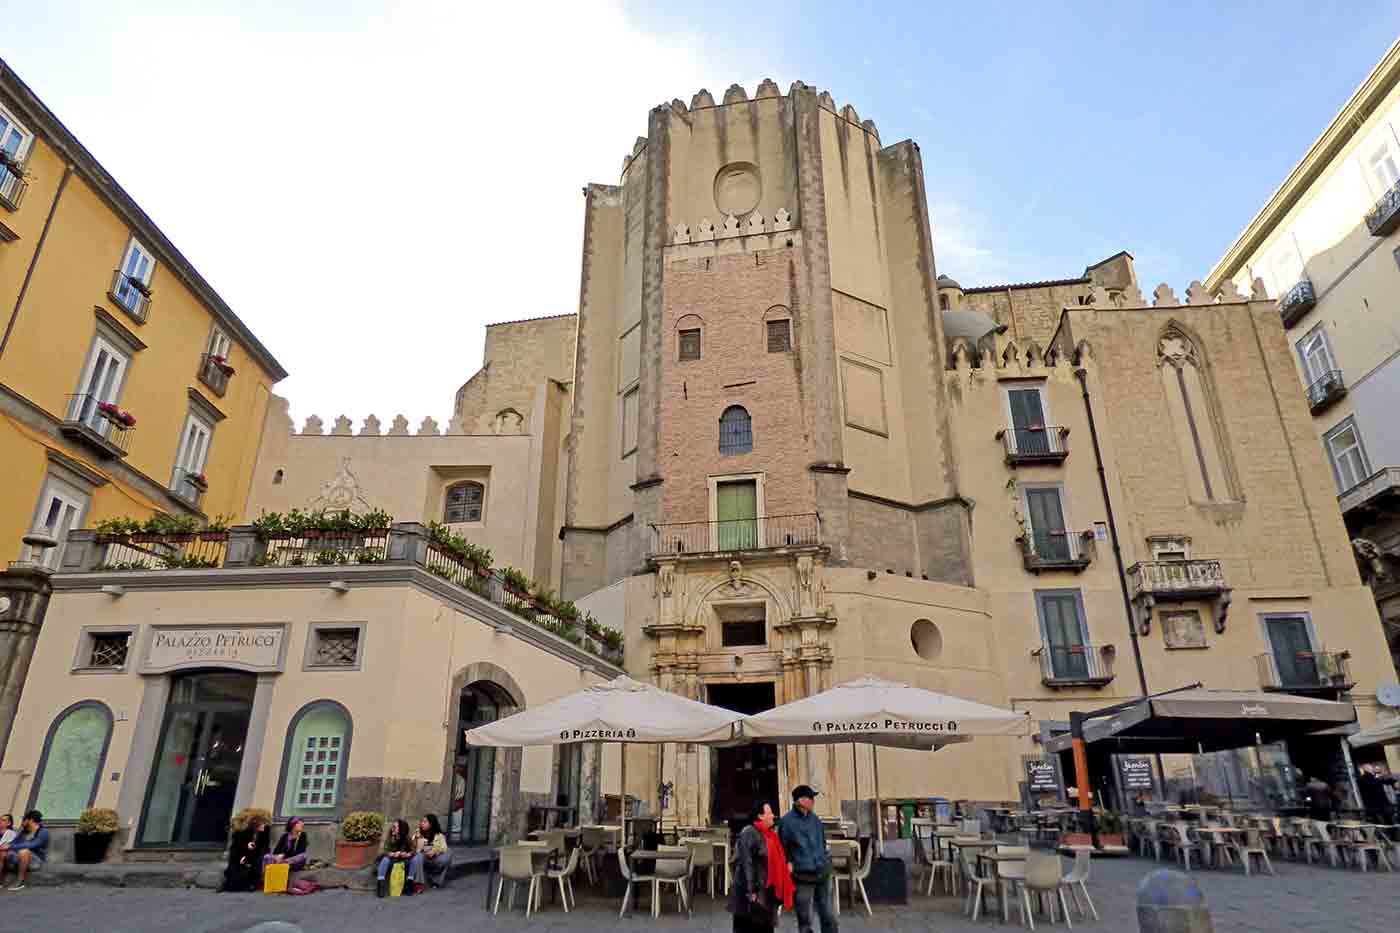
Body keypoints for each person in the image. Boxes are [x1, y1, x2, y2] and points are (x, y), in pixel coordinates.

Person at [779, 786, 837, 933]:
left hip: (822, 873)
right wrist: (788, 863)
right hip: (802, 876)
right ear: (800, 800)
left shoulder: (815, 820)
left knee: (829, 915)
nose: (813, 801)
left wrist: (824, 859)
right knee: (805, 918)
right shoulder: (786, 822)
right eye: (810, 798)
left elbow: (822, 842)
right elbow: (781, 848)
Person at [729, 800, 794, 932]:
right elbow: (746, 863)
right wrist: (751, 891)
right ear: (760, 816)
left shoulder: (770, 835)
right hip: (751, 897)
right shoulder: (749, 832)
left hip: (766, 894)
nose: (773, 816)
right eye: (769, 813)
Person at [0, 811, 49, 891]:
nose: (22, 822)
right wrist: (5, 847)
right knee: (2, 852)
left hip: (35, 861)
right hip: (19, 857)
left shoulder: (43, 832)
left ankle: (20, 880)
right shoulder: (24, 832)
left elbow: (32, 845)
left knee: (24, 851)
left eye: (24, 820)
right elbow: (13, 843)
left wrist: (11, 846)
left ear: (31, 820)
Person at [222, 815, 271, 892]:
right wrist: (246, 847)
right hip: (242, 852)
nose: (264, 826)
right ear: (256, 825)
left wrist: (256, 848)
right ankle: (229, 883)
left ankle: (252, 883)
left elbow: (265, 846)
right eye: (262, 824)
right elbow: (237, 845)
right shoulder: (245, 832)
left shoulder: (264, 833)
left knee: (257, 861)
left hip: (255, 854)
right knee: (236, 863)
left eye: (264, 824)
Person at [409, 814, 450, 892]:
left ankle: (436, 881)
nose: (422, 823)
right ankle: (418, 883)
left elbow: (444, 848)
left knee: (448, 854)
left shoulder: (439, 835)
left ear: (431, 824)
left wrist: (434, 851)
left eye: (424, 822)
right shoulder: (418, 834)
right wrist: (417, 838)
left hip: (434, 857)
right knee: (418, 856)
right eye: (421, 821)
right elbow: (413, 848)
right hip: (422, 857)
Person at [376, 819, 417, 898]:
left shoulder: (407, 838)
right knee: (385, 860)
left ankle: (409, 883)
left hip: (403, 861)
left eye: (395, 827)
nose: (392, 829)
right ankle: (380, 885)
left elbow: (413, 850)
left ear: (401, 829)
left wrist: (408, 854)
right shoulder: (390, 837)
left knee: (414, 860)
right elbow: (385, 851)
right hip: (392, 860)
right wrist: (392, 854)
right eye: (392, 827)